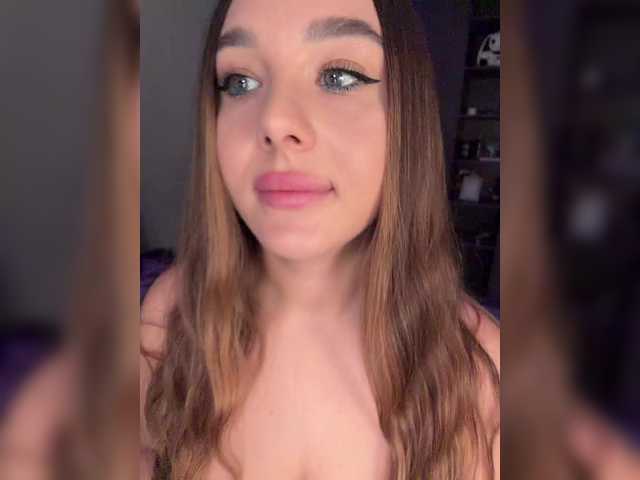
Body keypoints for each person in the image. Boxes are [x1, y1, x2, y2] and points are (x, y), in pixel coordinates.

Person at [140, 0, 500, 479]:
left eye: (339, 76)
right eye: (240, 82)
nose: (274, 121)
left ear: (406, 114)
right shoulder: (173, 313)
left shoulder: (485, 371)